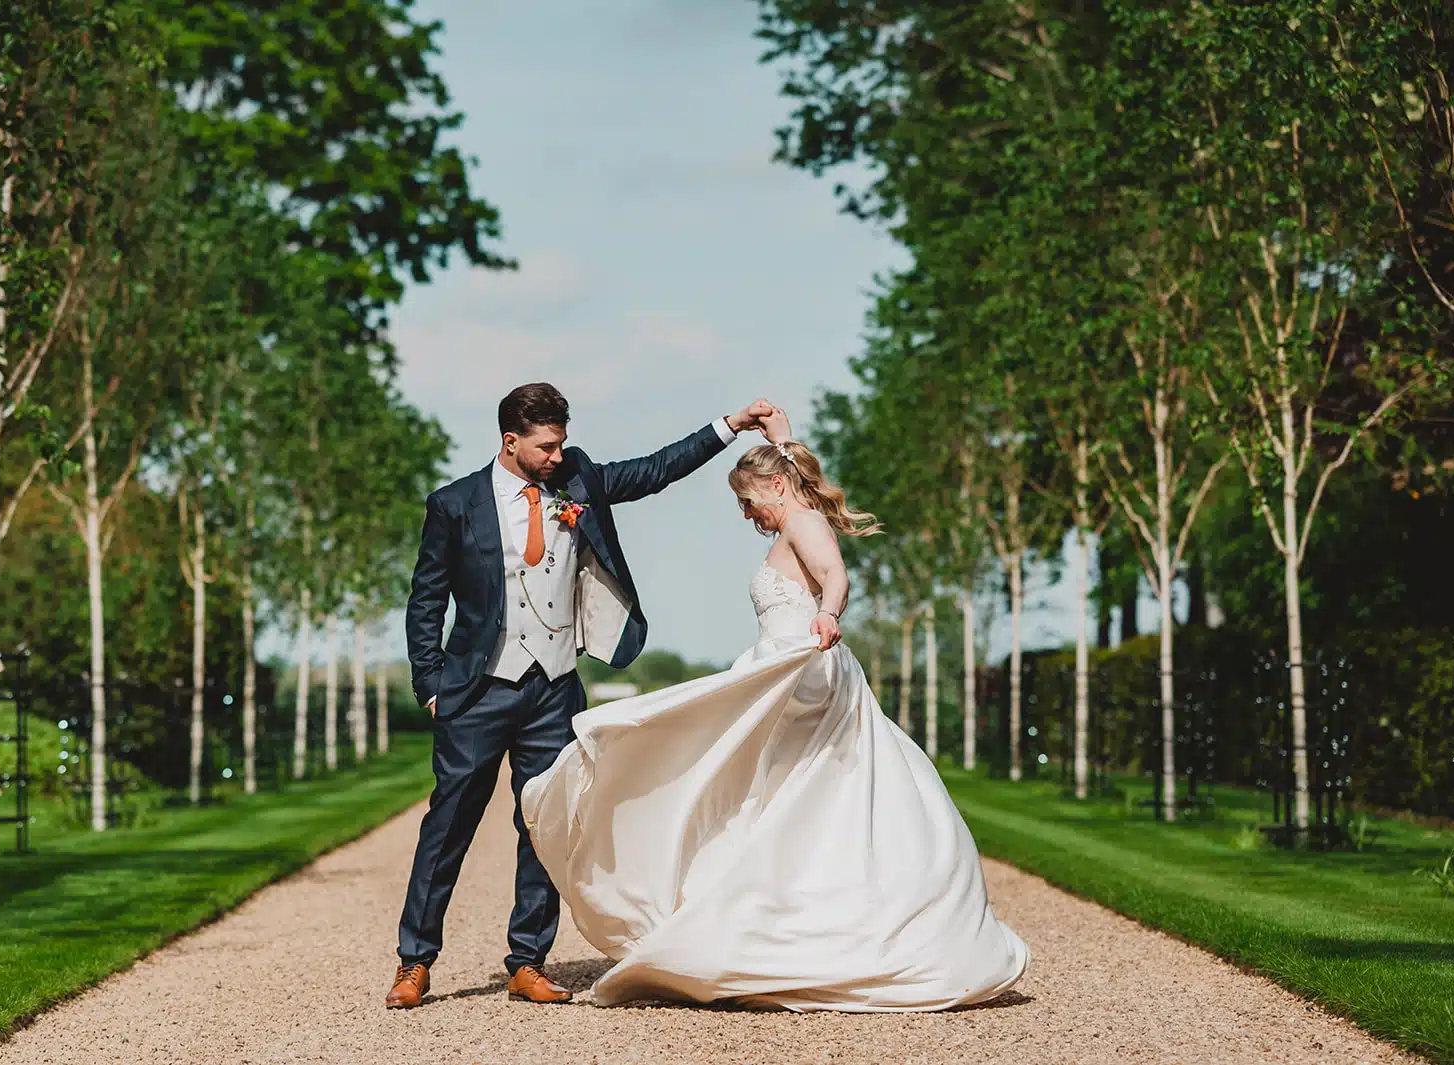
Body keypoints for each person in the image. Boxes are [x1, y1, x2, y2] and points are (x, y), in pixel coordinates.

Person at [520, 405, 1030, 1011]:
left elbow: (834, 576)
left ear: (778, 487)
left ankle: (797, 927)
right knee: (769, 801)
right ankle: (779, 915)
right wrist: (779, 438)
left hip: (803, 673)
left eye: (748, 500)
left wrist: (827, 614)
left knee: (774, 793)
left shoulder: (804, 523)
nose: (747, 514)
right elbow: (794, 495)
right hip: (781, 671)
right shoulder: (794, 510)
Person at [386, 382, 776, 1008]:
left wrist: (729, 424)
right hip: (475, 692)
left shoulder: (580, 479)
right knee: (449, 824)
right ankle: (414, 962)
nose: (555, 455)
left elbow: (656, 470)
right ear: (509, 442)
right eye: (545, 446)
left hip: (553, 689)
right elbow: (426, 599)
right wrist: (431, 683)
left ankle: (527, 960)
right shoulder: (453, 504)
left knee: (546, 824)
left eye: (561, 443)